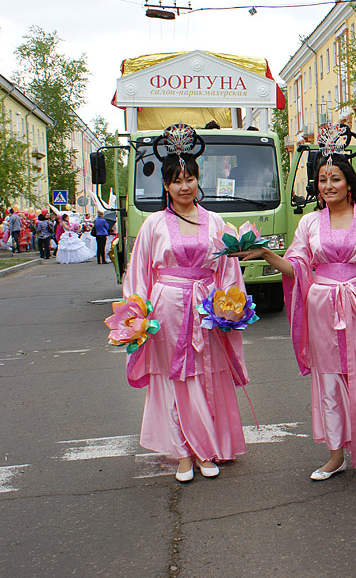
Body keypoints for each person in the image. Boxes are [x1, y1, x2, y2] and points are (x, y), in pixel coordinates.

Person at [238, 157, 356, 480]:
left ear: (349, 182)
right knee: (328, 379)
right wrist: (267, 255)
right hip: (323, 307)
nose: (328, 185)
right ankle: (335, 455)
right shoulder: (309, 223)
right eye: (323, 179)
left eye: (336, 179)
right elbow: (297, 267)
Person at [122, 149, 251, 482]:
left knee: (207, 374)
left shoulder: (216, 222)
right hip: (167, 309)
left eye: (189, 179)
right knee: (176, 378)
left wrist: (228, 309)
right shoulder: (153, 225)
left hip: (207, 307)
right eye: (176, 181)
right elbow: (139, 273)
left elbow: (227, 269)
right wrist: (137, 315)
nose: (184, 187)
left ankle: (207, 449)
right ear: (166, 186)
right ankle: (183, 453)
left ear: (198, 181)